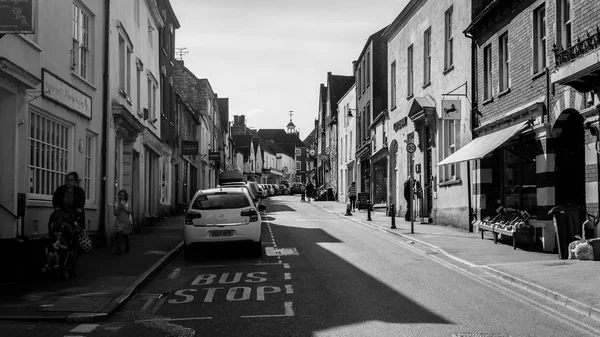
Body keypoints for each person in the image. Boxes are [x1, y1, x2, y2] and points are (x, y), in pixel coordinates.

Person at [113, 189, 133, 254]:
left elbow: (130, 211)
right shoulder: (116, 203)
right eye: (120, 195)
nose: (121, 197)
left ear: (125, 196)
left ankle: (127, 246)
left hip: (126, 221)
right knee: (119, 233)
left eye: (123, 195)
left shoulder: (127, 203)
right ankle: (119, 248)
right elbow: (115, 213)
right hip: (119, 221)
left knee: (125, 234)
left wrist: (124, 208)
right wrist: (119, 208)